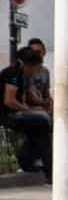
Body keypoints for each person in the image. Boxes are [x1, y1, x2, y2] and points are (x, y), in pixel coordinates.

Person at [2, 45, 53, 182]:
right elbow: (9, 101)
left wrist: (42, 105)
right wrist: (29, 110)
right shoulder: (13, 74)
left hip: (16, 112)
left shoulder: (23, 75)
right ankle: (41, 165)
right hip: (8, 115)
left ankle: (30, 161)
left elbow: (29, 94)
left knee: (41, 130)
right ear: (28, 65)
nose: (37, 71)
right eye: (36, 67)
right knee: (44, 122)